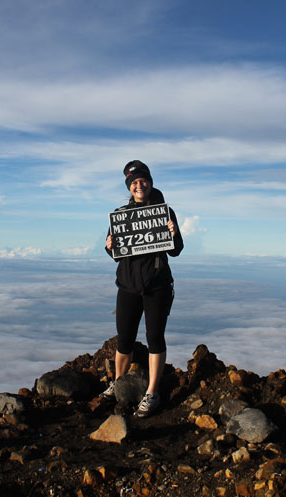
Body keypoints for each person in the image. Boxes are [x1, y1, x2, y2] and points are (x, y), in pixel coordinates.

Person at [102, 160, 184, 417]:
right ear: (130, 187)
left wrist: (172, 233)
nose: (139, 185)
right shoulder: (121, 214)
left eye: (143, 180)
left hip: (157, 286)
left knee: (154, 338)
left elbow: (176, 249)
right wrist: (109, 246)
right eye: (134, 182)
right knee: (124, 338)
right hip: (127, 286)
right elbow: (115, 253)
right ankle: (118, 383)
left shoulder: (165, 213)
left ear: (150, 182)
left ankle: (151, 392)